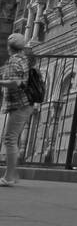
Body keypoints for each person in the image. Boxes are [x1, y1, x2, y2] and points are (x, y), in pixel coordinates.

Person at [0, 33, 36, 187]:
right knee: (12, 139)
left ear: (9, 47)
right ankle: (12, 174)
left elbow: (16, 82)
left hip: (19, 104)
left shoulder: (15, 61)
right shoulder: (23, 59)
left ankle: (9, 177)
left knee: (10, 139)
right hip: (22, 104)